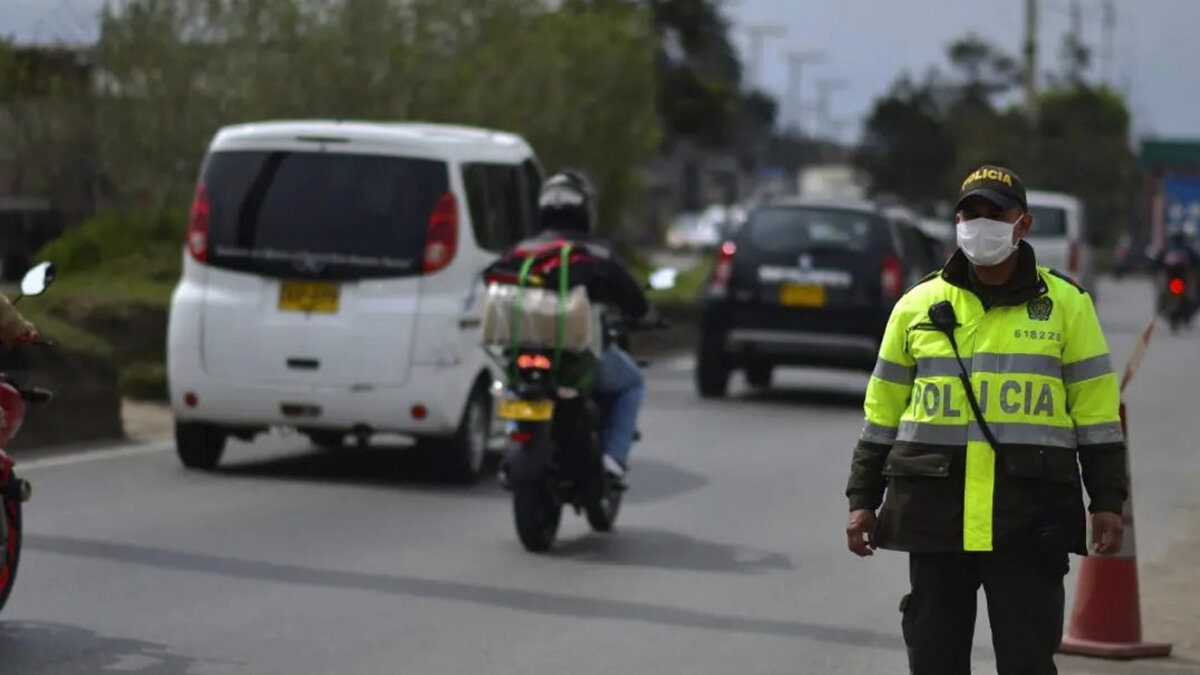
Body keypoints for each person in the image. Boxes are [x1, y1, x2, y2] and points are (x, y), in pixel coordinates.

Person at [844, 165, 1129, 674]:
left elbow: (1097, 415)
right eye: (970, 214)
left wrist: (1107, 502)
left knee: (1026, 661)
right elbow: (881, 415)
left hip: (1028, 517)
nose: (981, 225)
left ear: (1023, 224)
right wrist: (862, 500)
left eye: (995, 214)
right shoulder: (918, 305)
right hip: (936, 515)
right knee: (934, 659)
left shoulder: (1066, 306)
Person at [499, 170, 650, 479]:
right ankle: (613, 459)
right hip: (580, 356)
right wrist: (642, 316)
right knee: (632, 383)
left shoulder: (521, 252)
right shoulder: (595, 254)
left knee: (515, 389)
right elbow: (635, 302)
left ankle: (511, 443)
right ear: (584, 209)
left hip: (525, 352)